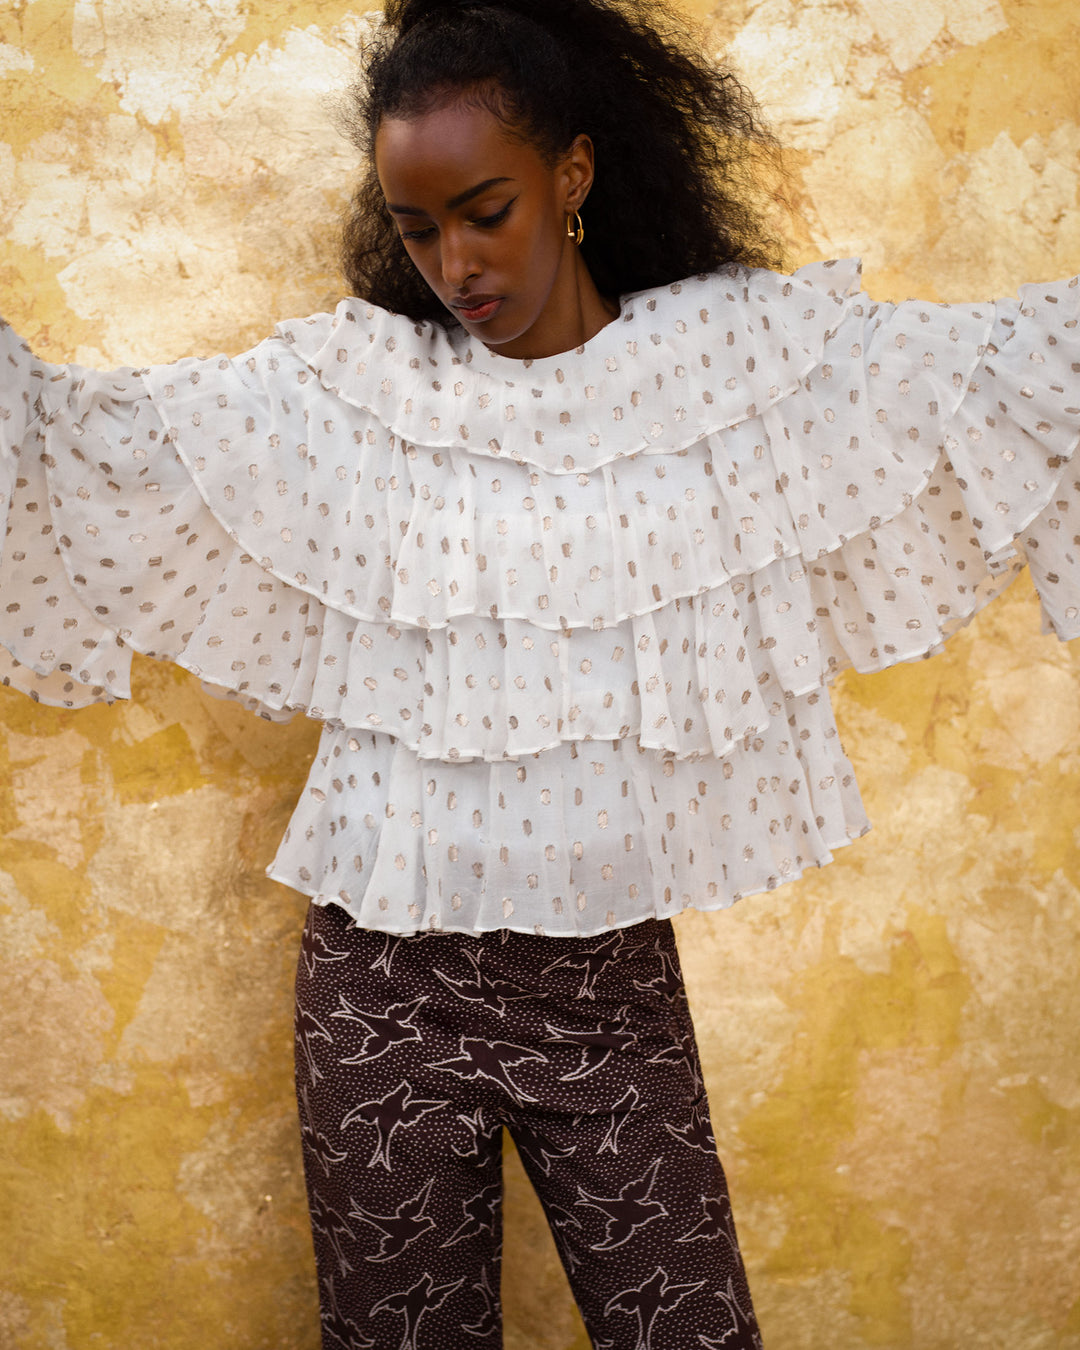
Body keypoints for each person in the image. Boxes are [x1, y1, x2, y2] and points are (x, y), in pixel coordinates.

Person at [1, 0, 1077, 1347]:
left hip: (607, 999)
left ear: (572, 174)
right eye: (417, 227)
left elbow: (998, 375)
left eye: (486, 211)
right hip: (382, 1000)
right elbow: (87, 440)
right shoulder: (357, 396)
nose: (454, 262)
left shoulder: (730, 362)